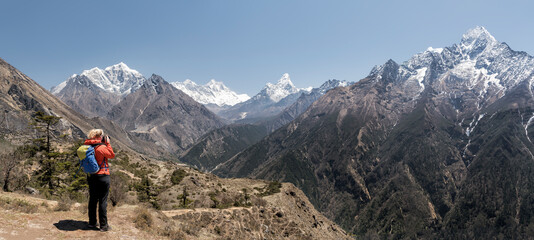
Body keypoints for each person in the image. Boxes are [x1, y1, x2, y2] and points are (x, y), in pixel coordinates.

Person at [84, 129, 115, 231]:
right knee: (103, 200)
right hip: (103, 176)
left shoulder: (88, 147)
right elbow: (111, 155)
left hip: (92, 176)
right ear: (99, 136)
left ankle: (92, 223)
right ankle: (103, 225)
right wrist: (108, 144)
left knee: (92, 200)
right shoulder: (101, 147)